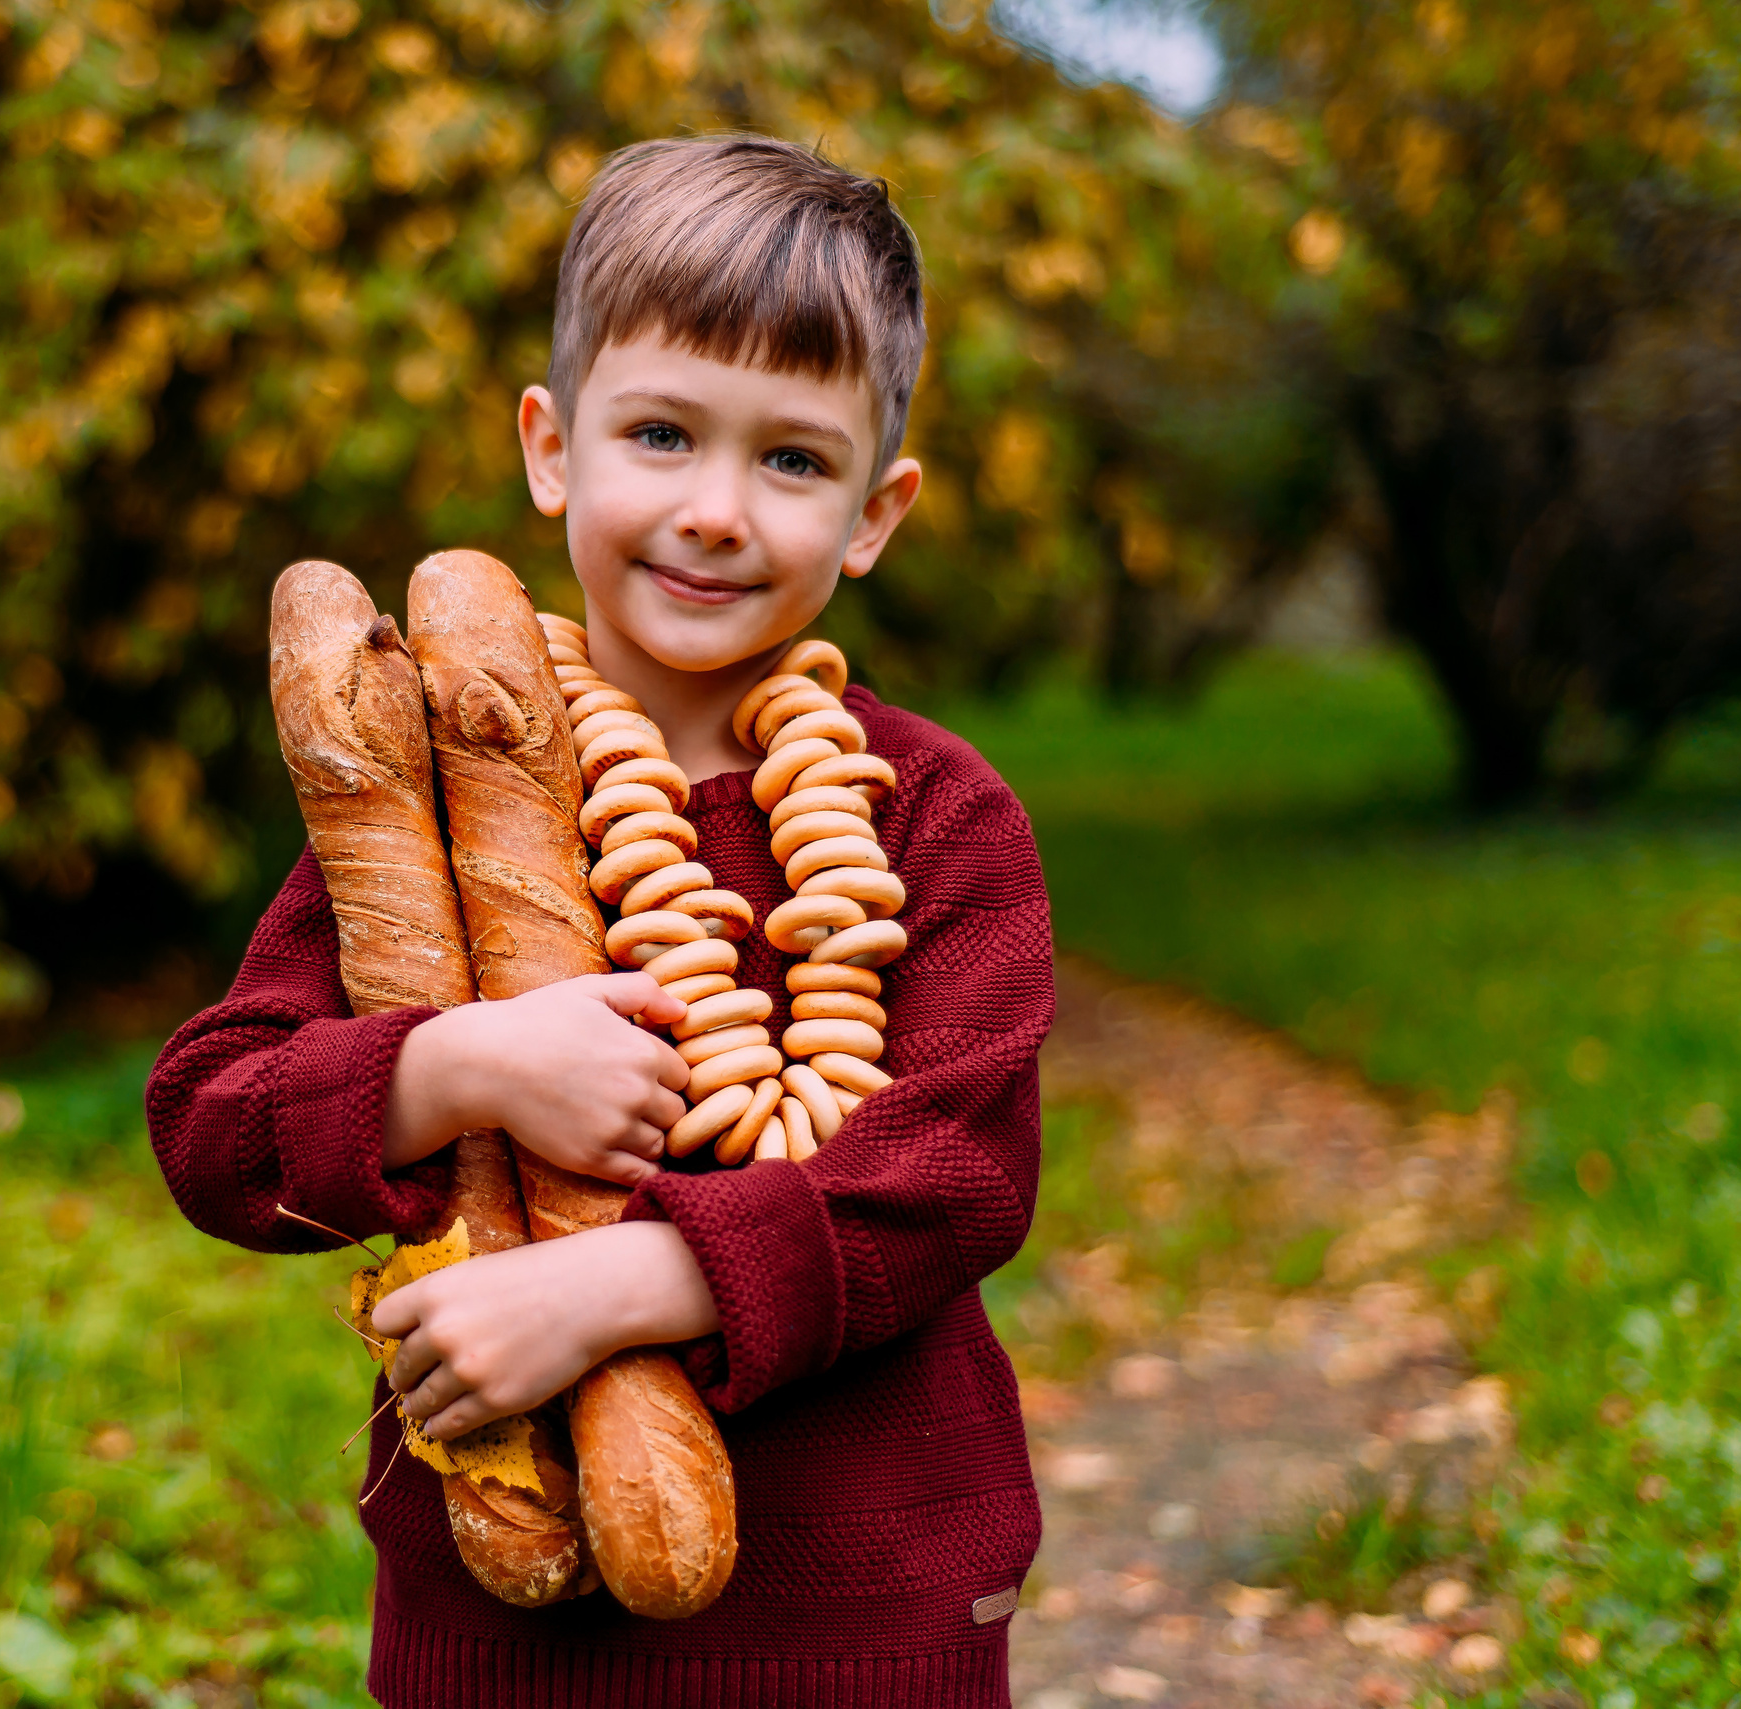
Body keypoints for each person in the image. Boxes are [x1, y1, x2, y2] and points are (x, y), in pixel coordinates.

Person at [148, 133, 1052, 1707]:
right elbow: (212, 1124)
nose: (714, 510)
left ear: (874, 511)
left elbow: (960, 1166)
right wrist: (455, 1067)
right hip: (515, 1632)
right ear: (551, 448)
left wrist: (620, 1288)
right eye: (659, 433)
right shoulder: (433, 784)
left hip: (864, 1613)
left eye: (790, 459)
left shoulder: (932, 810)